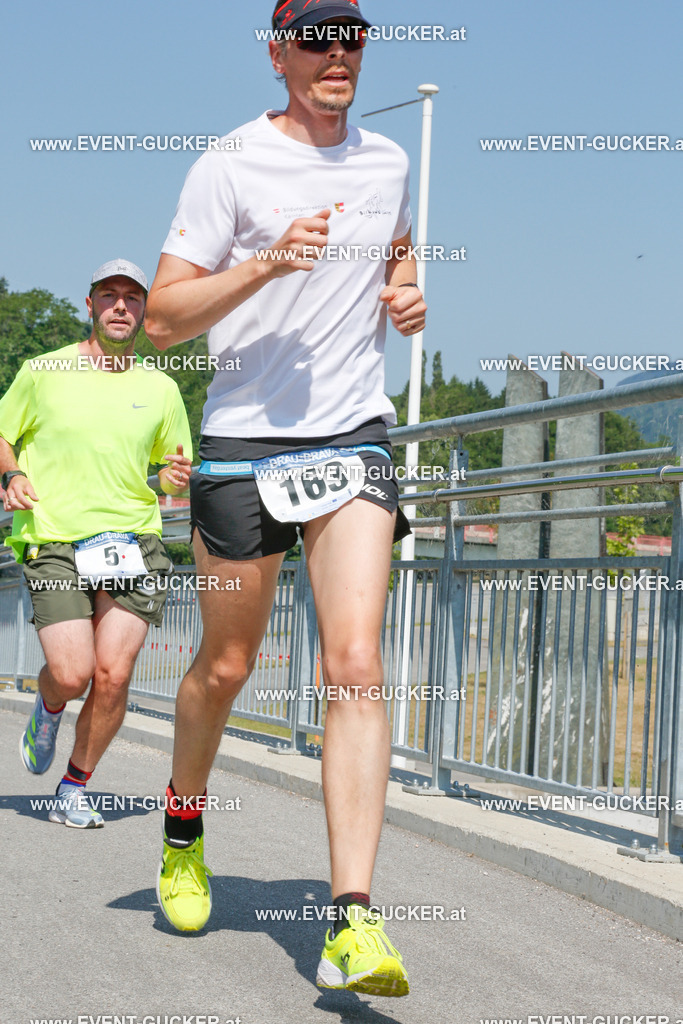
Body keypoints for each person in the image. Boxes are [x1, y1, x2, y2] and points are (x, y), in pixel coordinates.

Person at [145, 0, 426, 998]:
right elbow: (163, 320)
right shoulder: (227, 164)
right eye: (315, 35)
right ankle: (184, 825)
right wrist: (265, 262)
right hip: (242, 446)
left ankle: (351, 918)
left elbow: (396, 244)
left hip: (352, 433)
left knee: (353, 658)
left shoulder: (389, 160)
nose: (337, 50)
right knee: (225, 664)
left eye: (352, 32)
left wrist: (406, 288)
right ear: (277, 56)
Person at [0, 259, 192, 828]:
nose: (119, 307)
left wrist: (171, 480)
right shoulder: (44, 370)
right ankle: (51, 703)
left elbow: (169, 468)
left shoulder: (162, 389)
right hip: (55, 538)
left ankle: (74, 786)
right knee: (73, 671)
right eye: (108, 296)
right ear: (89, 305)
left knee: (113, 673)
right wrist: (10, 476)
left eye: (131, 298)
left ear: (142, 311)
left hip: (134, 540)